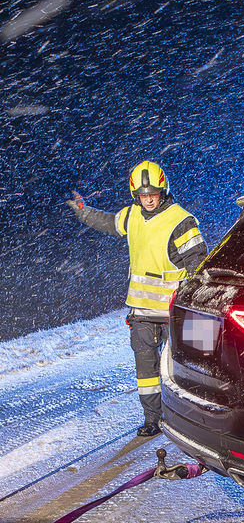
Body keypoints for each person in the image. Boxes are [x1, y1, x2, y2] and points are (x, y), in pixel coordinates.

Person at [66, 161, 207, 436]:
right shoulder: (131, 216)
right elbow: (109, 222)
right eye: (143, 195)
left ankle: (197, 423)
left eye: (153, 193)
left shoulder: (182, 221)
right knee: (146, 372)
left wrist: (197, 307)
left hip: (177, 313)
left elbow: (199, 264)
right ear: (136, 196)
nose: (149, 199)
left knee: (191, 368)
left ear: (163, 190)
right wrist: (84, 212)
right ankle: (152, 420)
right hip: (142, 312)